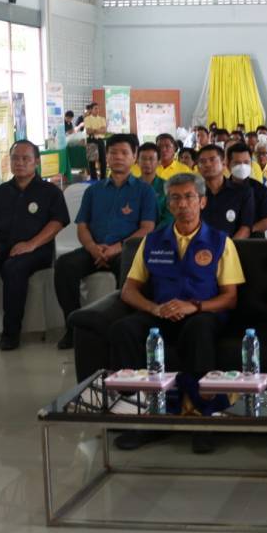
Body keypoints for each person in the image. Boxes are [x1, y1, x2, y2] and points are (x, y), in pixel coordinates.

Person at [85, 173, 245, 455]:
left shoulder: (221, 242)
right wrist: (154, 308)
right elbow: (129, 291)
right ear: (168, 205)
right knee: (124, 330)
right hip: (160, 312)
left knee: (198, 331)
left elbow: (230, 298)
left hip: (202, 314)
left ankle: (203, 420)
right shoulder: (152, 240)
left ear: (202, 202)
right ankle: (143, 416)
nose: (183, 204)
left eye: (189, 197)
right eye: (175, 198)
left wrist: (193, 306)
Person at [53, 134, 158, 350]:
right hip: (94, 249)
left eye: (124, 153)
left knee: (128, 270)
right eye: (113, 153)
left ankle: (117, 327)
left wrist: (115, 249)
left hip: (125, 251)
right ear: (106, 158)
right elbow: (82, 226)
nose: (118, 157)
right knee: (64, 265)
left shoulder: (144, 191)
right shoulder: (93, 191)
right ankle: (73, 328)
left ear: (134, 157)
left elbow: (147, 228)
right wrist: (93, 248)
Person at [0, 141, 69, 351]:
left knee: (13, 268)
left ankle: (11, 333)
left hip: (37, 249)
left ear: (36, 161)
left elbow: (57, 223)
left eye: (25, 158)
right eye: (15, 158)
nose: (19, 163)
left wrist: (31, 244)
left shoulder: (50, 192)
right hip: (0, 246)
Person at [195, 144, 260, 238]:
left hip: (232, 248)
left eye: (212, 159)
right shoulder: (193, 194)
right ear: (198, 168)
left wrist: (228, 248)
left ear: (224, 164)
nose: (207, 164)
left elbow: (245, 228)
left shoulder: (243, 192)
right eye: (202, 161)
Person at [134, 143, 169, 227]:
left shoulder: (167, 187)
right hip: (132, 235)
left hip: (159, 235)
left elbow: (169, 218)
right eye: (143, 159)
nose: (147, 162)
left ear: (159, 162)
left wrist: (153, 234)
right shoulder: (130, 186)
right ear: (137, 161)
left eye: (151, 159)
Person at [82, 103, 108, 180]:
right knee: (92, 162)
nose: (97, 110)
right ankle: (94, 179)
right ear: (91, 110)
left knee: (103, 161)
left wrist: (95, 130)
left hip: (100, 140)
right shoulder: (87, 119)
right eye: (95, 108)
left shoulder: (102, 119)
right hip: (91, 140)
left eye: (98, 108)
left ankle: (103, 179)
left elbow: (104, 131)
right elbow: (88, 131)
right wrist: (98, 130)